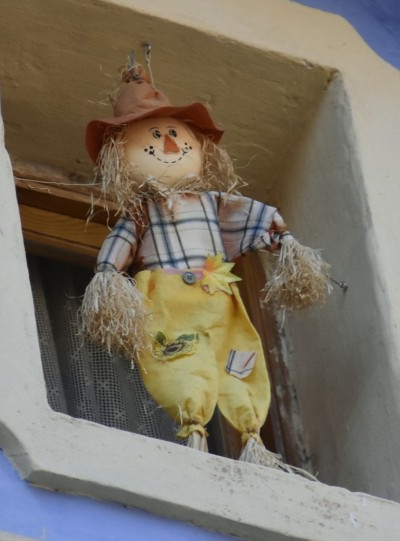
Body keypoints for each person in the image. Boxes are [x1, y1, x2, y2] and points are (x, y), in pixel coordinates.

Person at [81, 59, 329, 466]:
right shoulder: (142, 212)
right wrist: (108, 277)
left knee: (236, 351)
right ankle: (194, 426)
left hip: (219, 291)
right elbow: (118, 246)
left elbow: (257, 216)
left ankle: (250, 434)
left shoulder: (213, 203)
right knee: (178, 356)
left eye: (176, 133)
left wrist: (282, 239)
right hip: (166, 297)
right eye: (155, 134)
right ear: (118, 155)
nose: (168, 143)